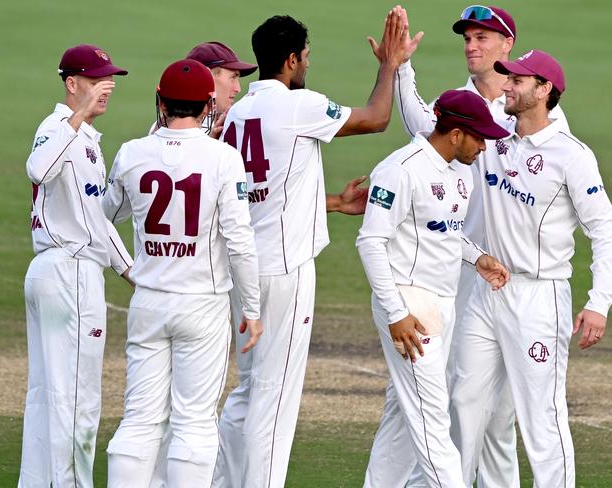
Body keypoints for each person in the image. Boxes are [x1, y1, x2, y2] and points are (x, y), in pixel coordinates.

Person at [213, 8, 418, 488]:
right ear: (289, 60)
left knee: (247, 392)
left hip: (242, 269)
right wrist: (389, 64)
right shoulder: (296, 105)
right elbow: (377, 118)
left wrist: (328, 203)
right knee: (275, 399)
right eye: (305, 57)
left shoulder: (238, 113)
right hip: (286, 271)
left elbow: (257, 192)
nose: (308, 65)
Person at [366, 6, 567, 487]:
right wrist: (399, 65)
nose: (472, 45)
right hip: (449, 275)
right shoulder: (453, 107)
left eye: (483, 37)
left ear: (507, 46)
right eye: (467, 38)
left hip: (508, 276)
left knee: (490, 413)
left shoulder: (530, 107)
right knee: (439, 399)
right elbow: (421, 127)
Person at [450, 49, 612, 487]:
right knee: (463, 402)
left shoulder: (571, 155)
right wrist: (399, 67)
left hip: (539, 299)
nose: (506, 85)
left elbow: (604, 228)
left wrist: (598, 303)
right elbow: (433, 124)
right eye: (508, 77)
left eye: (518, 80)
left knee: (541, 419)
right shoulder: (493, 135)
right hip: (485, 292)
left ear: (544, 91)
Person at [102, 59, 262, 487]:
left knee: (139, 419)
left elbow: (107, 213)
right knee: (193, 422)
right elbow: (240, 241)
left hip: (148, 298)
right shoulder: (224, 158)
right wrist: (253, 306)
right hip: (203, 304)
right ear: (209, 103)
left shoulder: (133, 152)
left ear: (160, 100)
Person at [357, 88, 510, 488]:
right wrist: (396, 313)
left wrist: (478, 258)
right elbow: (370, 242)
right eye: (479, 137)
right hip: (409, 304)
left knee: (401, 417)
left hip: (442, 301)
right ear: (456, 134)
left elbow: (444, 231)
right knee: (431, 420)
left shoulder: (461, 173)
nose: (485, 146)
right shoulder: (400, 169)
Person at [19, 44, 133, 488]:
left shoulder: (82, 137)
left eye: (110, 79)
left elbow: (96, 219)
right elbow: (38, 168)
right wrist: (77, 116)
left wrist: (133, 275)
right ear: (72, 84)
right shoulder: (59, 128)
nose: (107, 87)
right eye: (97, 79)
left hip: (59, 271)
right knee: (77, 398)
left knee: (49, 396)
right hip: (69, 273)